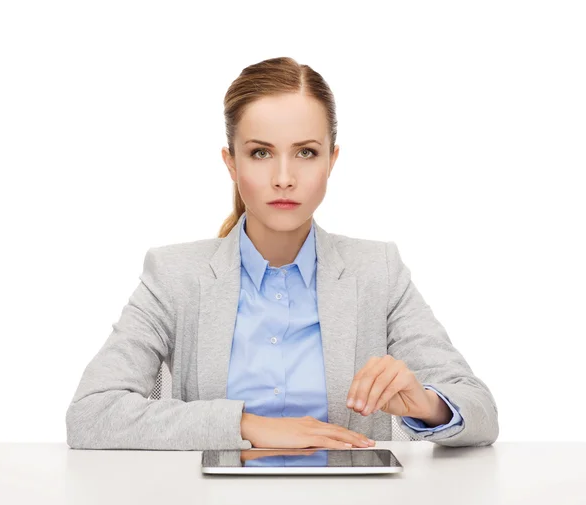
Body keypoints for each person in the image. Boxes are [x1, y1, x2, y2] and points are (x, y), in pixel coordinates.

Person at [65, 56, 499, 451]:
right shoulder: (174, 275)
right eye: (260, 153)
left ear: (331, 161)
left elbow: (480, 409)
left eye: (306, 153)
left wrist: (426, 403)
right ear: (231, 164)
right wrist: (249, 426)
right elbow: (91, 414)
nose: (284, 178)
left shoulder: (377, 272)